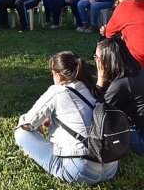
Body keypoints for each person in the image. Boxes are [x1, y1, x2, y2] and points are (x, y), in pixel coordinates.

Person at [14, 51, 118, 184]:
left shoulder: (57, 91)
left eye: (53, 73)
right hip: (111, 166)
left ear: (60, 75)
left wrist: (35, 124)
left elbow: (27, 124)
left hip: (81, 171)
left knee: (20, 134)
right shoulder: (93, 89)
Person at [94, 37, 144, 155]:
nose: (94, 60)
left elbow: (97, 113)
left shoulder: (121, 84)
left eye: (96, 57)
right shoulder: (139, 72)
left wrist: (100, 80)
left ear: (106, 61)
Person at [100, 0, 144, 66]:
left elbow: (109, 33)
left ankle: (104, 73)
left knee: (106, 42)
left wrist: (104, 32)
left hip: (138, 61)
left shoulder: (127, 5)